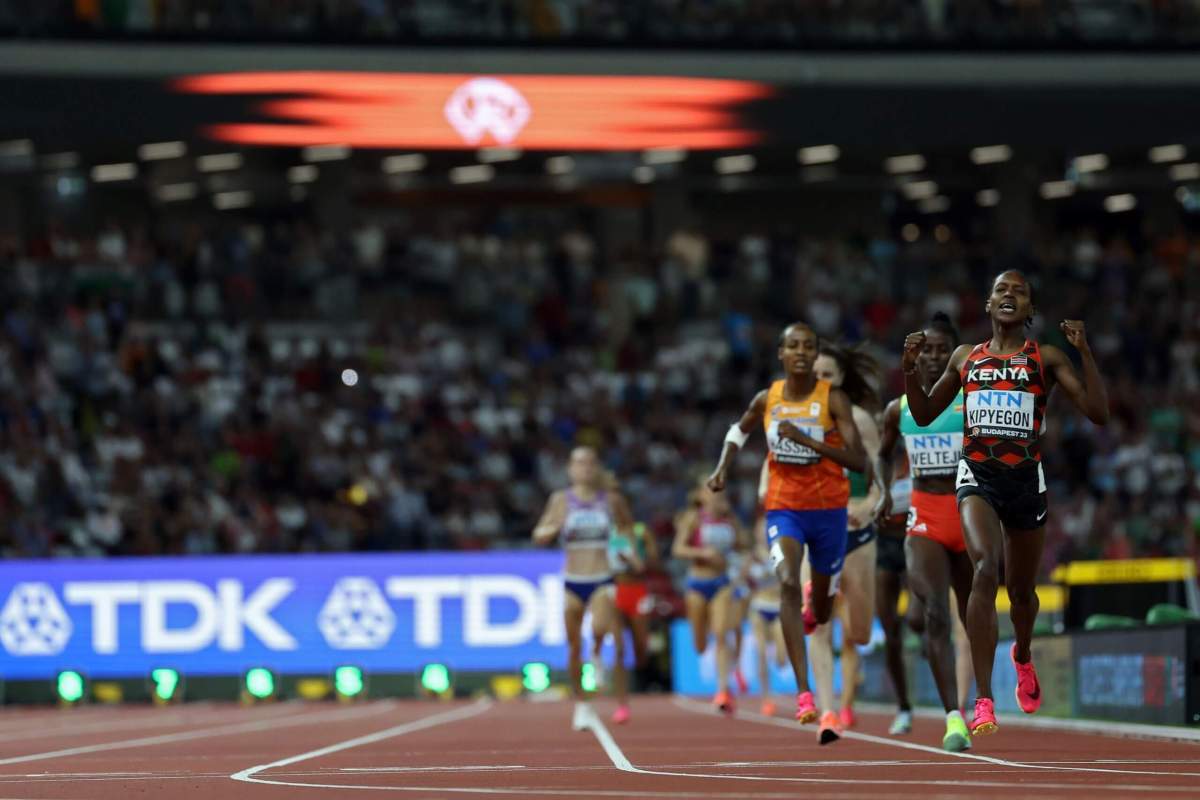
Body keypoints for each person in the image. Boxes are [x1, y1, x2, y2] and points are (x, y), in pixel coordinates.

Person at [902, 271, 1109, 737]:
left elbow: (1099, 413)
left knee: (1021, 595)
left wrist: (1085, 353)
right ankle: (983, 699)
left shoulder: (1045, 357)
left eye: (1019, 291)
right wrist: (911, 368)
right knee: (985, 568)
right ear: (988, 304)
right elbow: (923, 413)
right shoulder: (965, 357)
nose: (1009, 295)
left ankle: (1022, 654)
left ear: (1030, 311)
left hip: (1025, 483)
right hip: (977, 475)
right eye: (1000, 290)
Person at [707, 321, 866, 734]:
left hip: (829, 511)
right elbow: (737, 431)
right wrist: (722, 467)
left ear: (815, 355)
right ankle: (804, 692)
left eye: (807, 346)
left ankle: (818, 602)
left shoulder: (834, 399)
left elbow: (858, 460)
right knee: (786, 581)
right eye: (792, 345)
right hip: (785, 509)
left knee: (823, 610)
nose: (799, 352)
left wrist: (809, 441)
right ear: (781, 354)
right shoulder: (767, 399)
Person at [877, 312, 974, 751]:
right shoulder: (898, 409)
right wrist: (882, 493)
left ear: (954, 355)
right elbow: (881, 456)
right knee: (935, 612)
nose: (934, 358)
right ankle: (954, 717)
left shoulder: (971, 400)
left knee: (972, 614)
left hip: (971, 511)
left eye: (942, 350)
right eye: (927, 349)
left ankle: (984, 697)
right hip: (924, 515)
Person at [803, 342, 882, 742]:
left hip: (858, 536)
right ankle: (829, 713)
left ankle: (853, 668)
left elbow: (880, 486)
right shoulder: (794, 422)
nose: (819, 383)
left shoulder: (862, 422)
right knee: (817, 623)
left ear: (841, 380)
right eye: (813, 375)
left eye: (827, 376)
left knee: (860, 632)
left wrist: (869, 505)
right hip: (815, 532)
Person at [532, 447, 639, 729]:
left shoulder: (611, 500)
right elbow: (539, 535)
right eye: (579, 463)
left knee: (599, 628)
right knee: (573, 646)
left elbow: (626, 529)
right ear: (570, 469)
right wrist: (553, 529)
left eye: (590, 463)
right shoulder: (560, 500)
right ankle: (581, 703)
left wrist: (626, 552)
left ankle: (596, 659)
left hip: (602, 577)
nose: (585, 468)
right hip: (572, 580)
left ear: (598, 468)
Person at [672, 482, 751, 713]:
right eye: (710, 491)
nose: (716, 496)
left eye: (720, 492)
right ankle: (721, 683)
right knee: (700, 644)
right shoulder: (693, 519)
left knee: (720, 633)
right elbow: (678, 549)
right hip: (697, 583)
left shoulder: (730, 520)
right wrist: (702, 553)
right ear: (701, 496)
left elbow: (742, 546)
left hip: (722, 583)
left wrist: (742, 555)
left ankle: (723, 690)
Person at [750, 463, 786, 716]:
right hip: (760, 604)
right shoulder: (759, 529)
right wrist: (753, 568)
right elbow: (746, 573)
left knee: (781, 658)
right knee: (761, 652)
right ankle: (766, 698)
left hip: (780, 604)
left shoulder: (785, 529)